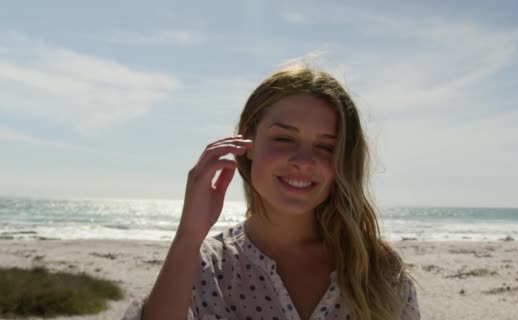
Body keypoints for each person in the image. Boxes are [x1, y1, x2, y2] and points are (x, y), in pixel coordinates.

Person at [122, 64, 420, 320]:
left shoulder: (377, 270)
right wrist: (188, 235)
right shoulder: (203, 265)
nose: (303, 161)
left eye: (326, 147)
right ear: (247, 138)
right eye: (283, 138)